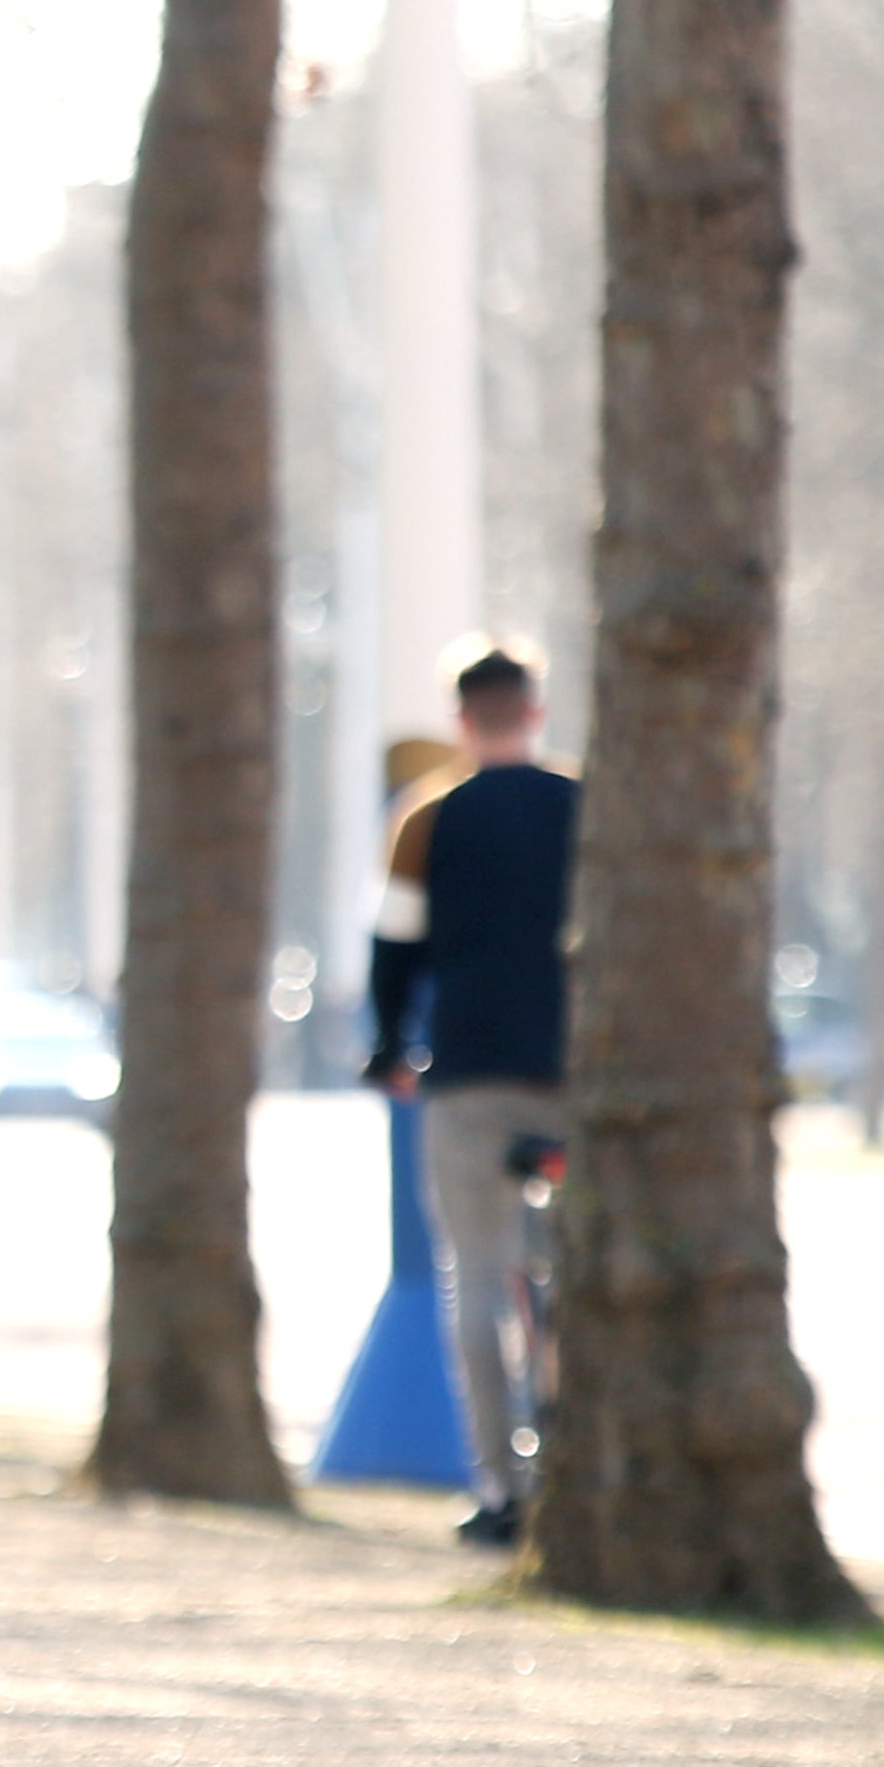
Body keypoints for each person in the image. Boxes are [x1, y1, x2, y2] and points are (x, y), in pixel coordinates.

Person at [367, 641, 579, 1548]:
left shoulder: (428, 817)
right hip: (571, 1078)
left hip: (465, 1073)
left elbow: (394, 946)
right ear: (534, 712)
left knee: (479, 1282)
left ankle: (501, 1488)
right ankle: (575, 1462)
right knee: (572, 1276)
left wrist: (388, 1049)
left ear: (461, 721)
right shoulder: (589, 803)